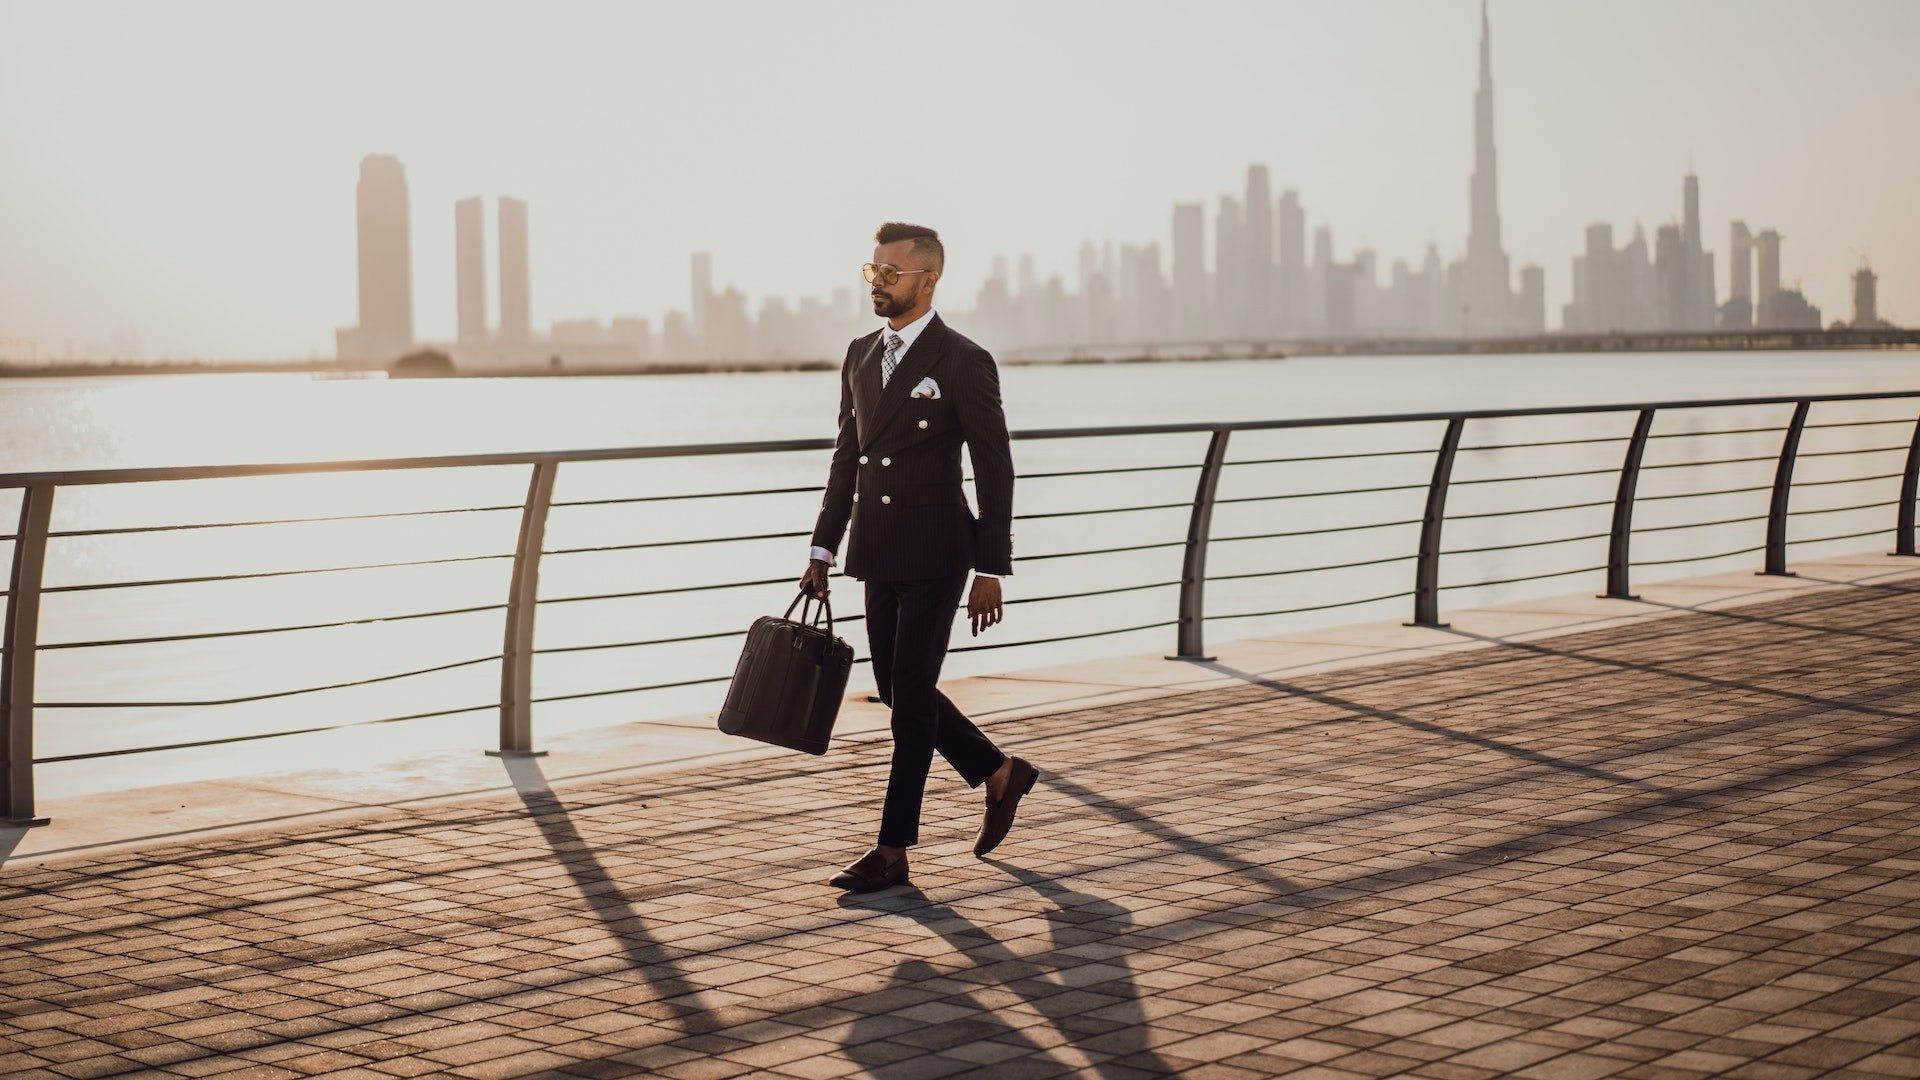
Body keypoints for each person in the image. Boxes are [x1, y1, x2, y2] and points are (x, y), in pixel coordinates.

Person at [800, 222, 1040, 893]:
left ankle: (892, 852)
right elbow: (847, 458)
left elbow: (995, 468)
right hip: (875, 552)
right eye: (870, 271)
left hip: (939, 552)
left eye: (890, 273)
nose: (876, 283)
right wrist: (822, 547)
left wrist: (991, 567)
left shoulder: (963, 360)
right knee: (899, 688)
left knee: (909, 707)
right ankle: (999, 772)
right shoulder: (857, 354)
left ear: (927, 280)